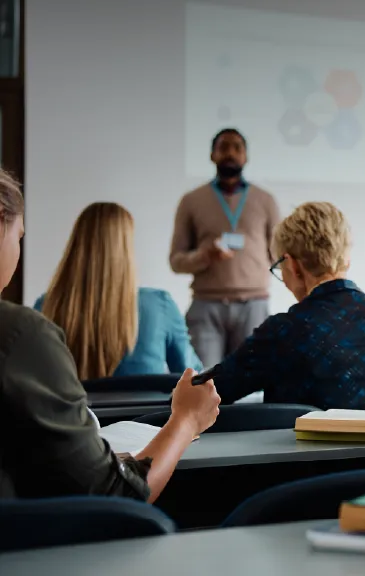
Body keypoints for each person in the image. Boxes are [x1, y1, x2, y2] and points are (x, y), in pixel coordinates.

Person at [0, 170, 220, 501]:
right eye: (19, 236)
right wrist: (187, 419)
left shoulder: (47, 305)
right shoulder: (22, 333)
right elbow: (192, 377)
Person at [209, 201, 365, 409]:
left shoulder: (283, 331)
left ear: (292, 265)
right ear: (346, 258)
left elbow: (207, 394)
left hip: (306, 456)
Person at [34, 202, 203, 380]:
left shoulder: (46, 307)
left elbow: (34, 378)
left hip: (74, 409)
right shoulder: (160, 306)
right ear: (126, 249)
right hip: (146, 409)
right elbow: (193, 376)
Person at [170, 128, 281, 367]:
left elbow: (280, 254)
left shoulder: (265, 200)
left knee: (252, 385)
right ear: (212, 155)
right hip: (206, 306)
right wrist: (204, 256)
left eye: (237, 147)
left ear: (246, 157)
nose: (230, 153)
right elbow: (176, 261)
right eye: (223, 147)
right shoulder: (191, 201)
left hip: (254, 305)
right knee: (203, 383)